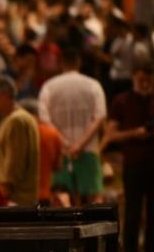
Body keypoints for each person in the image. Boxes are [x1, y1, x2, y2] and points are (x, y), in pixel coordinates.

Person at [103, 62, 154, 252]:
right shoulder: (122, 101)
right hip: (134, 165)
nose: (144, 83)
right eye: (141, 79)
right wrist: (136, 133)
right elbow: (112, 134)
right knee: (132, 215)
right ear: (133, 78)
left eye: (148, 79)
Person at [38, 48, 107, 204]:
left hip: (60, 151)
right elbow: (99, 117)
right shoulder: (93, 85)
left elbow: (44, 119)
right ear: (79, 63)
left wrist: (66, 143)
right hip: (88, 149)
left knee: (61, 197)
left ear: (61, 63)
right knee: (93, 198)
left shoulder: (49, 86)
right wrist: (80, 144)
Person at [0, 75, 40, 206]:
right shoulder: (14, 119)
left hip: (14, 201)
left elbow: (14, 165)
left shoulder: (16, 121)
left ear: (6, 95)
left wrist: (2, 193)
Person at [18, 99, 65, 207]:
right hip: (45, 196)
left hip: (21, 198)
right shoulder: (52, 133)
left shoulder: (17, 134)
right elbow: (58, 166)